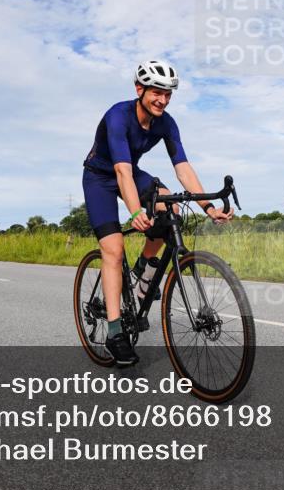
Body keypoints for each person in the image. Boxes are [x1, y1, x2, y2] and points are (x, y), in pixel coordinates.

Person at [82, 59, 233, 365]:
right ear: (139, 89)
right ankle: (114, 333)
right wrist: (135, 210)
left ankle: (142, 276)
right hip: (101, 178)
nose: (162, 99)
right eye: (156, 92)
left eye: (168, 94)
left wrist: (208, 207)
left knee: (171, 206)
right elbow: (121, 171)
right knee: (113, 249)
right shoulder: (118, 116)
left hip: (130, 172)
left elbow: (183, 168)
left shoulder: (166, 122)